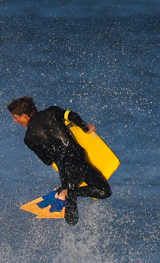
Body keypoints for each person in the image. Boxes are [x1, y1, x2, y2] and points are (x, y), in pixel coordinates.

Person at [7, 96, 111, 225]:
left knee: (72, 220)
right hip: (78, 160)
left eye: (15, 118)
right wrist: (85, 128)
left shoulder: (28, 138)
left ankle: (65, 191)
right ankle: (67, 192)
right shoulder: (52, 111)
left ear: (24, 115)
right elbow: (72, 115)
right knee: (104, 191)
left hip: (64, 170)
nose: (15, 120)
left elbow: (47, 160)